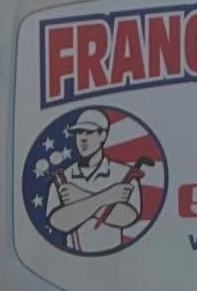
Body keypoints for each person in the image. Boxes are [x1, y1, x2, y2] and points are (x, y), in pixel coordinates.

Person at [43, 106, 141, 251]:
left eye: (89, 132)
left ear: (103, 135)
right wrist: (108, 196)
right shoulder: (62, 178)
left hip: (116, 261)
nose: (82, 138)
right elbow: (59, 222)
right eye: (78, 133)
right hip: (72, 263)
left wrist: (78, 197)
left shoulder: (124, 174)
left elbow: (127, 217)